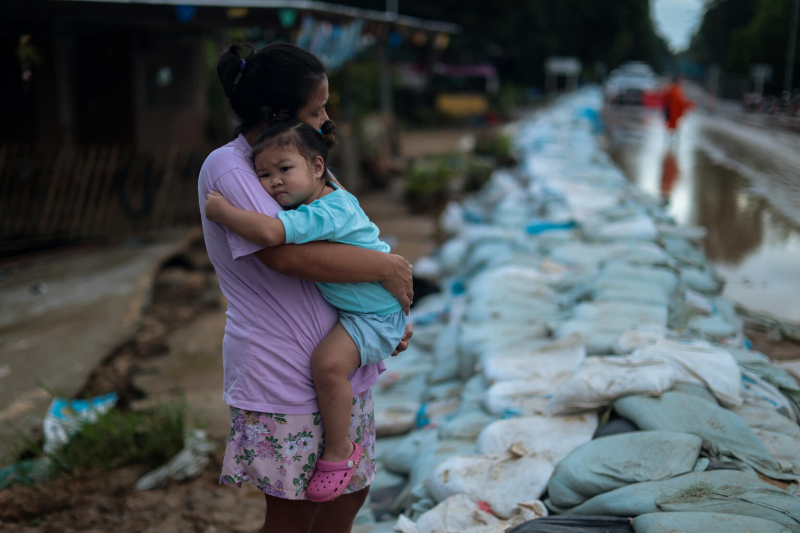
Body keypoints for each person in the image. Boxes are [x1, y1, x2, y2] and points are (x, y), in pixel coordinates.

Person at [198, 42, 413, 533]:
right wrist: (385, 269)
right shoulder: (233, 168)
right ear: (276, 113)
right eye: (316, 109)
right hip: (283, 368)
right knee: (294, 512)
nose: (324, 118)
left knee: (349, 493)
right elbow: (285, 255)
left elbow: (349, 231)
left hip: (342, 356)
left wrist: (385, 316)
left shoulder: (301, 156)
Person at [662, 75, 693, 144]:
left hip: (672, 111)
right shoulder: (675, 90)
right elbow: (680, 101)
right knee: (673, 126)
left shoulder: (674, 89)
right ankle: (671, 140)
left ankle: (671, 140)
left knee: (672, 126)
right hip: (672, 111)